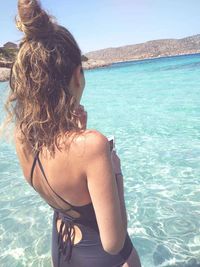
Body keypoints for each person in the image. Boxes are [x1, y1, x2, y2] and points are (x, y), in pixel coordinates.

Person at [5, 0, 141, 266]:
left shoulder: (22, 137)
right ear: (78, 74)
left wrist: (75, 135)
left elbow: (63, 185)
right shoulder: (92, 145)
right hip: (101, 258)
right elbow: (113, 243)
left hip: (63, 247)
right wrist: (116, 171)